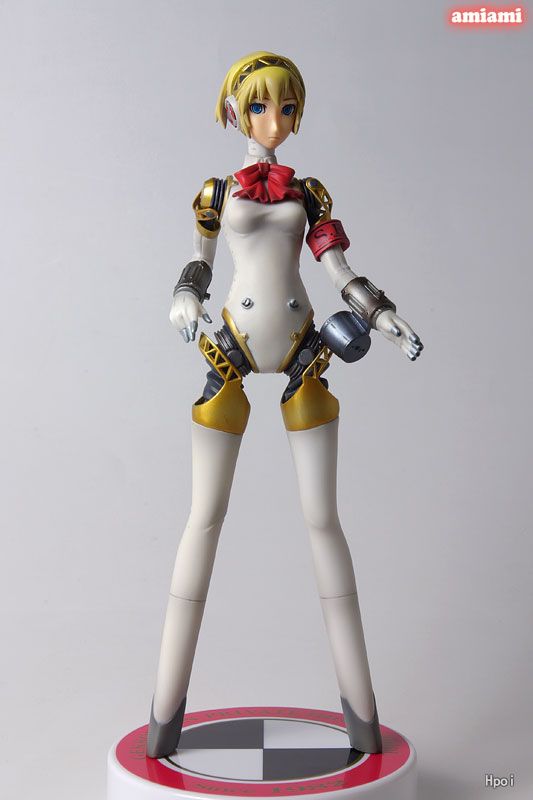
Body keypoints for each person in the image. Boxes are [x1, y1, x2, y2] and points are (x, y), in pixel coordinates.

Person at [146, 51, 423, 759]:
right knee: (203, 518)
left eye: (288, 107)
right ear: (234, 110)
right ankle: (162, 722)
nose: (275, 120)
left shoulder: (310, 193)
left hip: (306, 353)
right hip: (230, 352)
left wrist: (382, 314)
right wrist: (185, 294)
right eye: (261, 106)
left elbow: (338, 268)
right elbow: (201, 260)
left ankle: (362, 723)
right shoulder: (217, 192)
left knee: (323, 520)